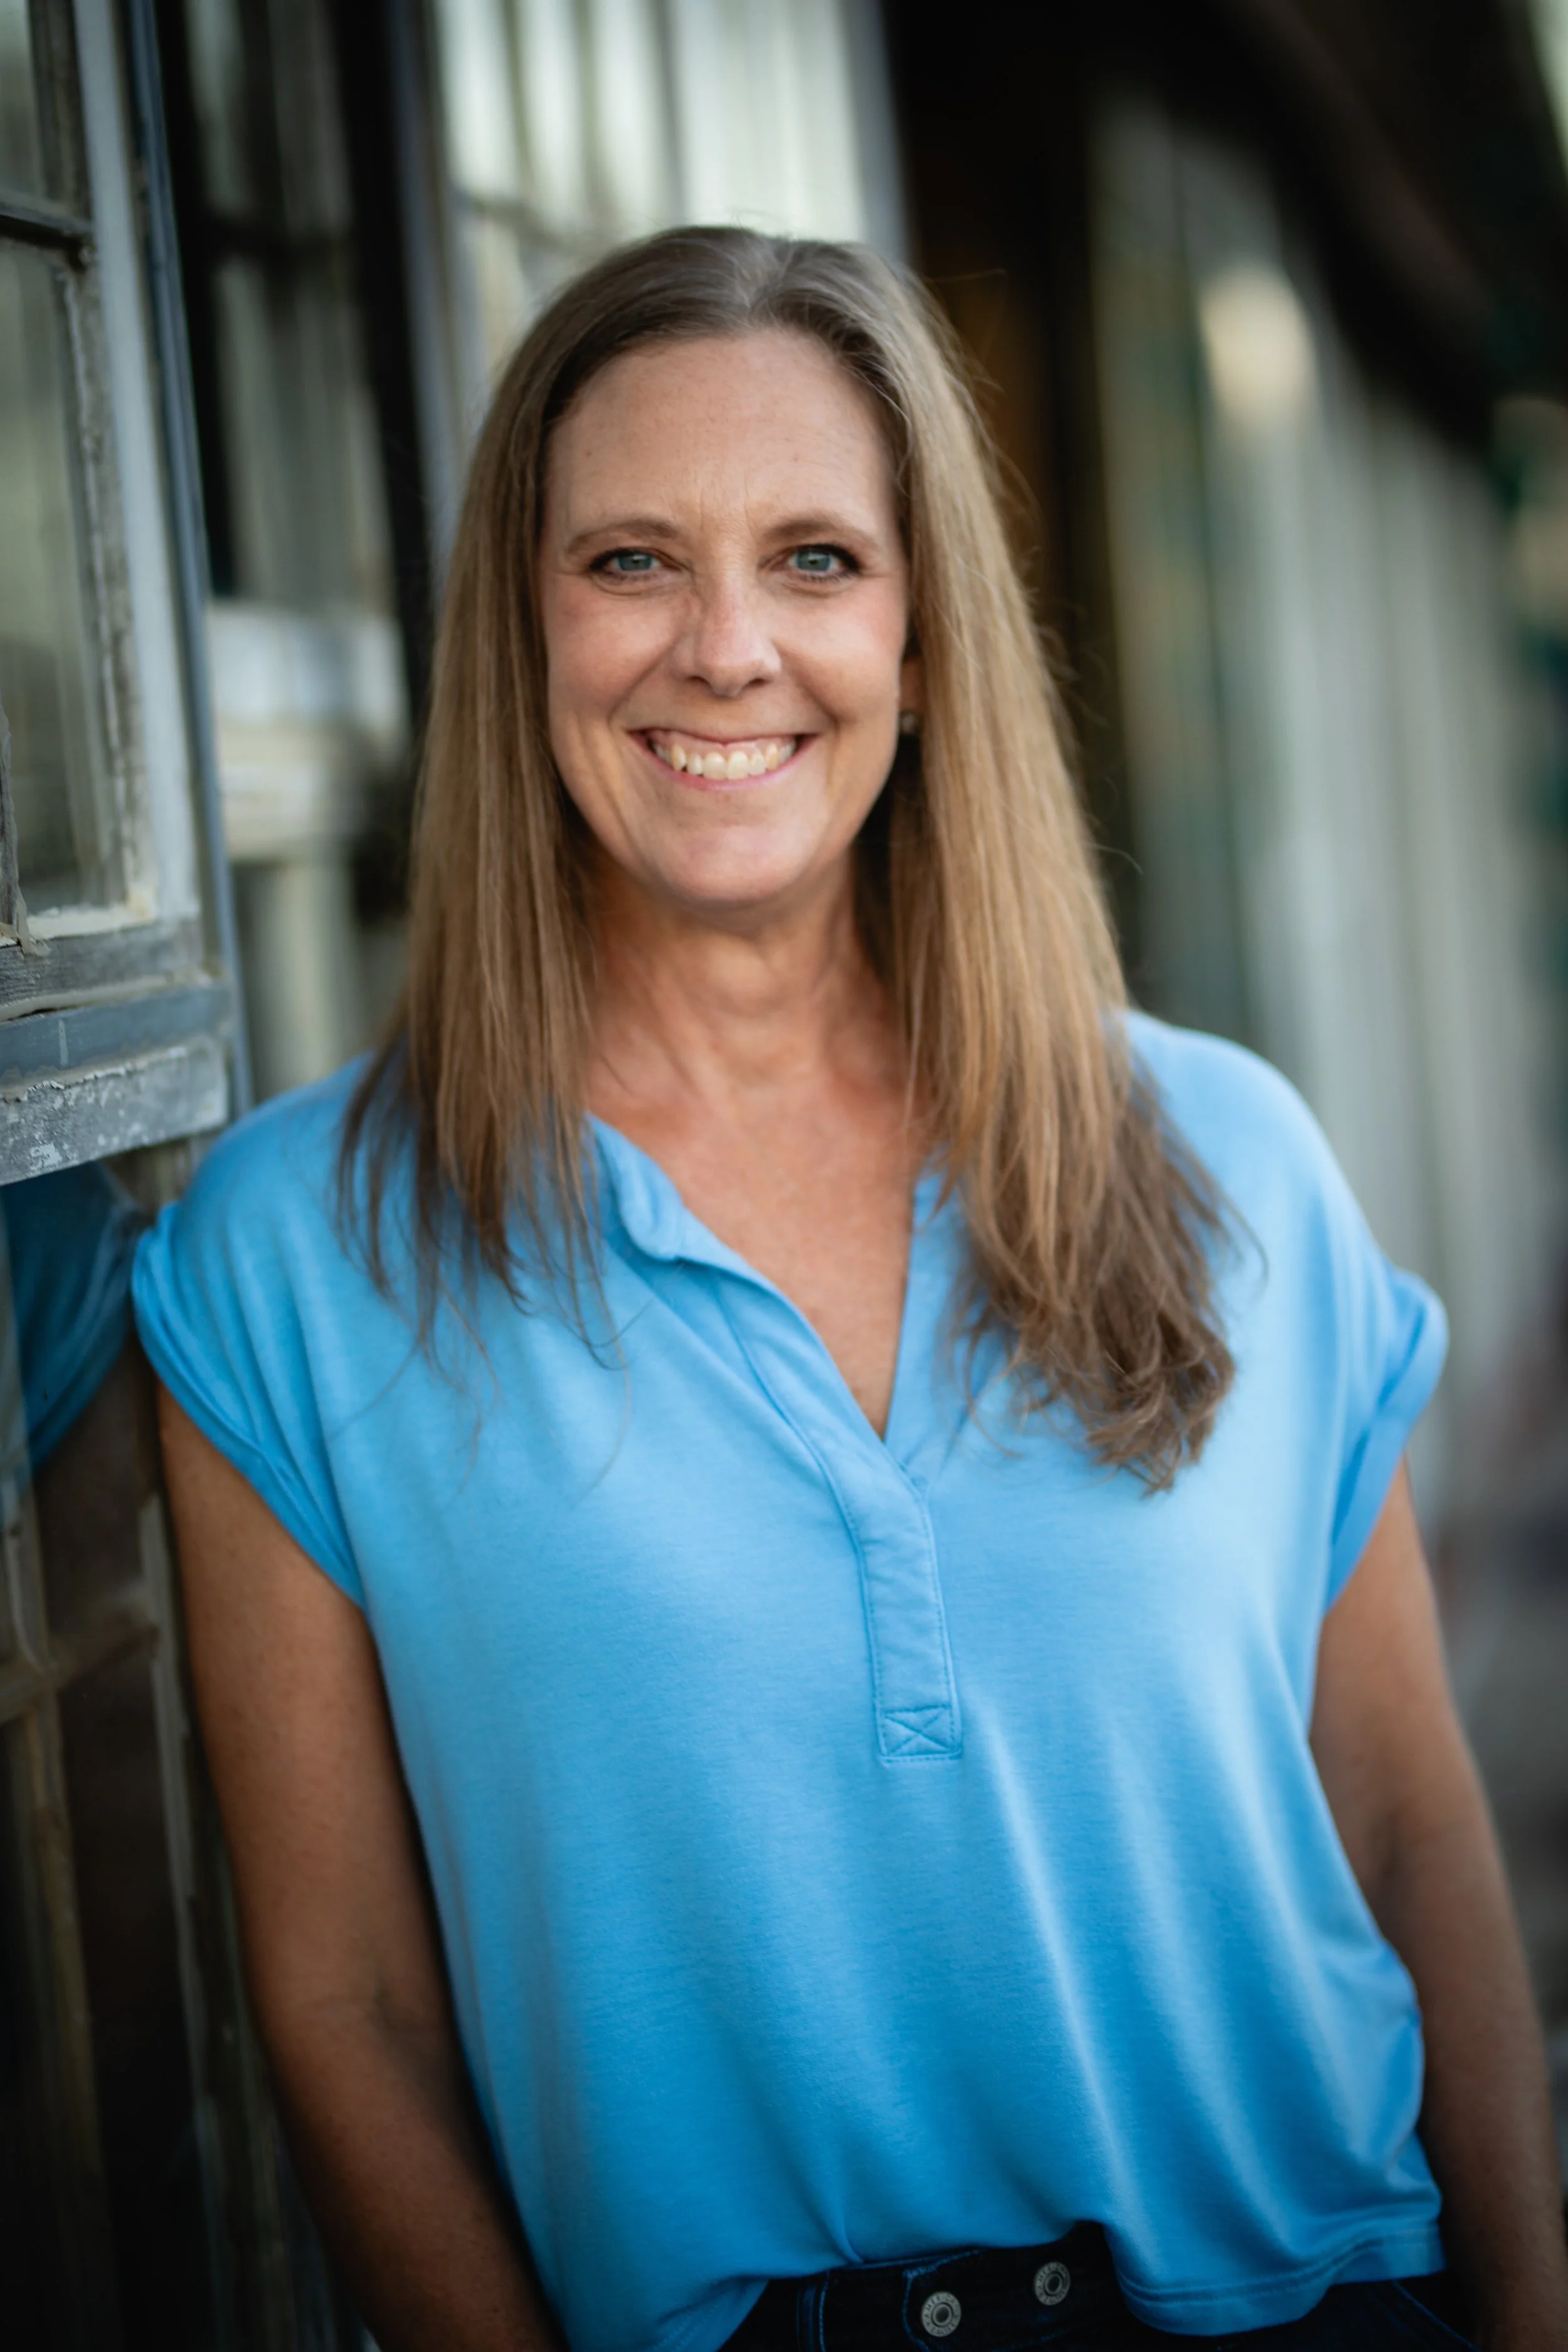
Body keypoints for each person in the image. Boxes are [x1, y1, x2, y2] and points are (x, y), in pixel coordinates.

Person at [134, 227, 1568, 2352]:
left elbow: (1403, 1824)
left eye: (815, 558)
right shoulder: (291, 1262)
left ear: (923, 640)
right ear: (519, 629)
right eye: (630, 559)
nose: (726, 647)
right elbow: (347, 2008)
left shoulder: (1225, 1156)